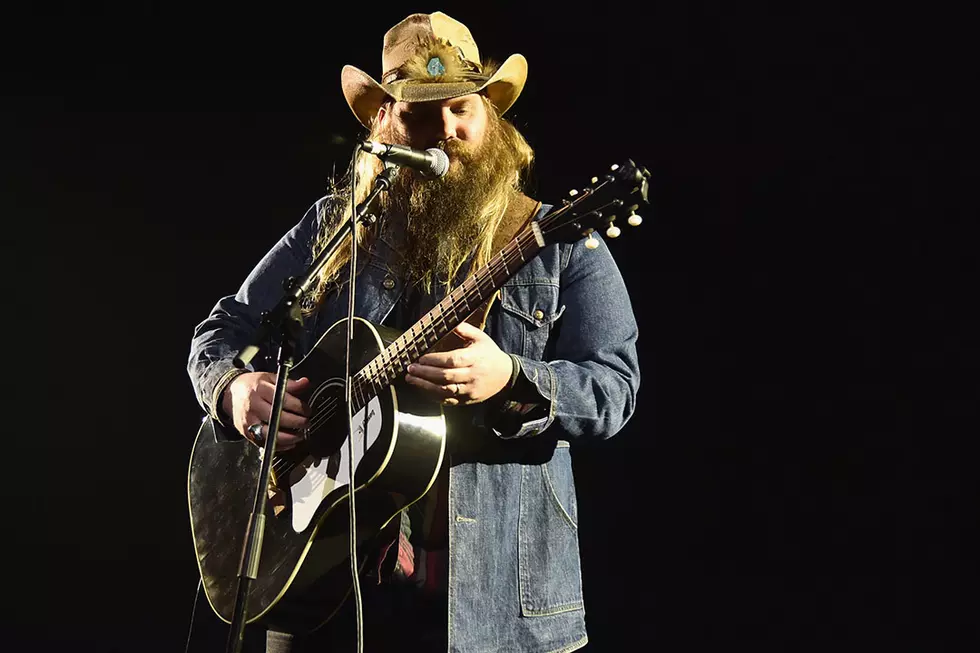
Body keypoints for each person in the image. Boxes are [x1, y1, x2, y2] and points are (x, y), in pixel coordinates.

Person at [187, 10, 640, 653]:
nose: (445, 132)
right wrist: (232, 391)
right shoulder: (334, 229)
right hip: (326, 593)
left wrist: (512, 380)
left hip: (496, 610)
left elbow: (615, 388)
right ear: (385, 123)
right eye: (420, 114)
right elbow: (225, 327)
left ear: (492, 118)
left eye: (460, 109)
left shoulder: (559, 241)